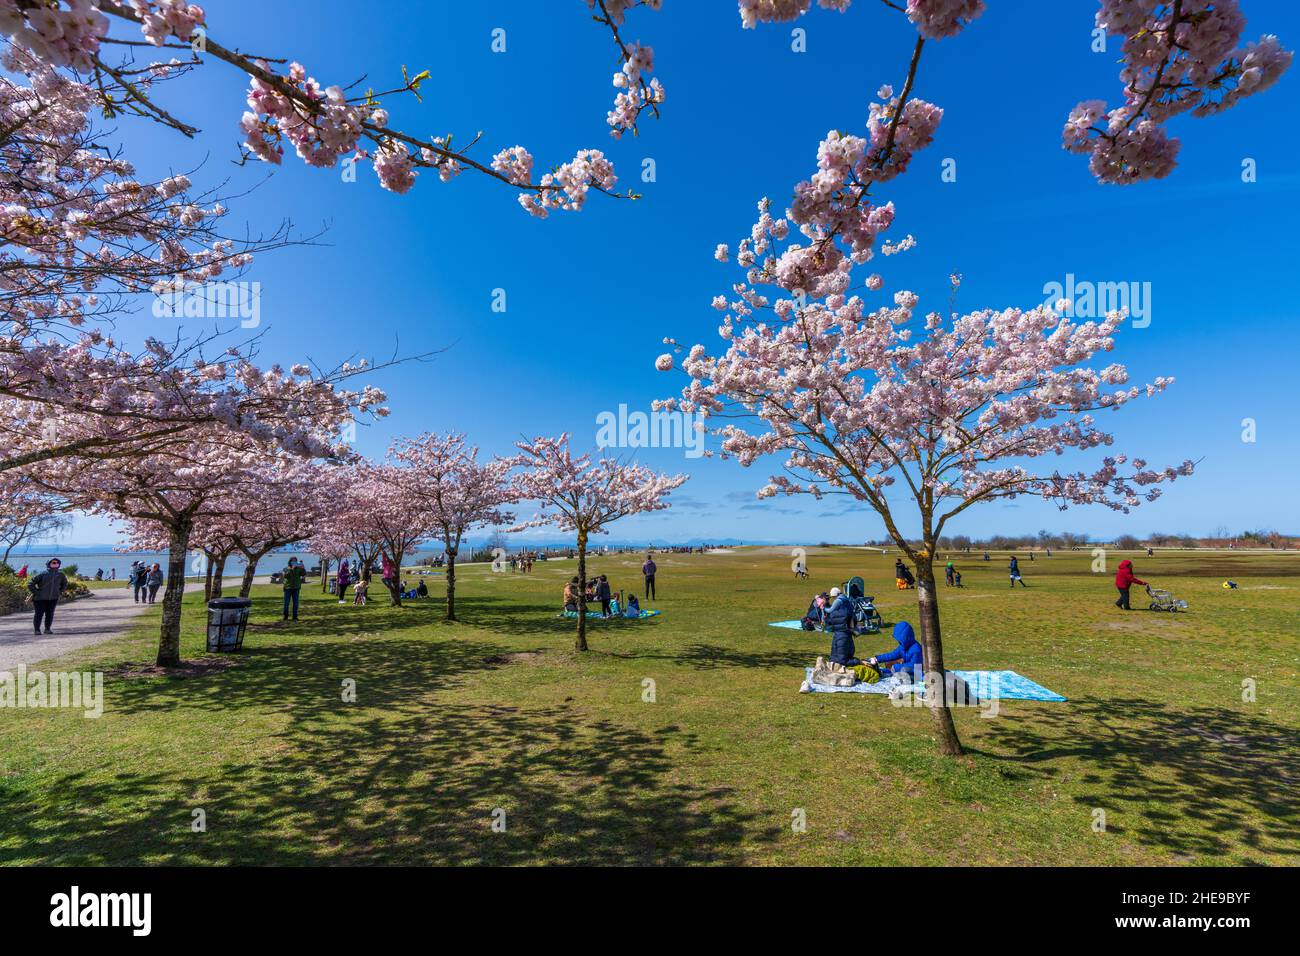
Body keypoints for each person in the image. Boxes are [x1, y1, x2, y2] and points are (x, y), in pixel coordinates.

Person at [28, 558, 67, 635]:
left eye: (57, 563)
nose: (55, 564)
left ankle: (47, 629)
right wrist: (37, 593)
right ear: (48, 564)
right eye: (53, 562)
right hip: (39, 599)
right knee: (39, 614)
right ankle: (37, 630)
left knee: (50, 614)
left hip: (53, 598)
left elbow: (64, 584)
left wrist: (59, 592)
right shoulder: (42, 574)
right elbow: (30, 584)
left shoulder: (61, 575)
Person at [825, 587, 859, 665]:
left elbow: (830, 611)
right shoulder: (846, 600)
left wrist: (824, 608)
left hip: (843, 631)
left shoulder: (838, 602)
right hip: (843, 630)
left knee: (840, 659)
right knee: (834, 658)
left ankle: (859, 662)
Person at [282, 556, 306, 620]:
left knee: (296, 603)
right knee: (286, 603)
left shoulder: (299, 569)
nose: (294, 562)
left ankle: (295, 617)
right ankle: (285, 616)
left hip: (296, 587)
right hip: (288, 587)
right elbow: (285, 576)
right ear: (290, 561)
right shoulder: (286, 568)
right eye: (292, 561)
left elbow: (303, 574)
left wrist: (303, 568)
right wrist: (291, 569)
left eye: (295, 561)